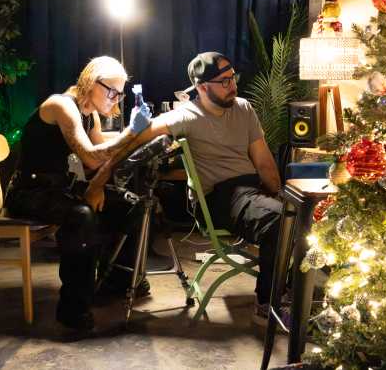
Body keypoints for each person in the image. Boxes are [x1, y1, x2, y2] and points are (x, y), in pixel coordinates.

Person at [89, 51, 283, 324]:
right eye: (224, 81)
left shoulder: (243, 108)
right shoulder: (185, 116)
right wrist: (98, 181)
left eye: (233, 78)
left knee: (298, 214)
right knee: (280, 221)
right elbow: (133, 140)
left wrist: (280, 194)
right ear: (201, 88)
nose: (233, 86)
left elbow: (264, 162)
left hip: (252, 192)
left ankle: (289, 290)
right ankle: (269, 304)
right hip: (220, 198)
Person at [5, 56, 151, 331]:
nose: (116, 100)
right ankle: (73, 310)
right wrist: (133, 131)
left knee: (132, 205)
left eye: (120, 94)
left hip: (60, 188)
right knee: (82, 216)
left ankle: (116, 281)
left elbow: (103, 159)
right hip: (28, 192)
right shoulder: (61, 106)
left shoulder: (90, 113)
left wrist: (99, 186)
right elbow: (92, 157)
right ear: (91, 82)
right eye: (112, 92)